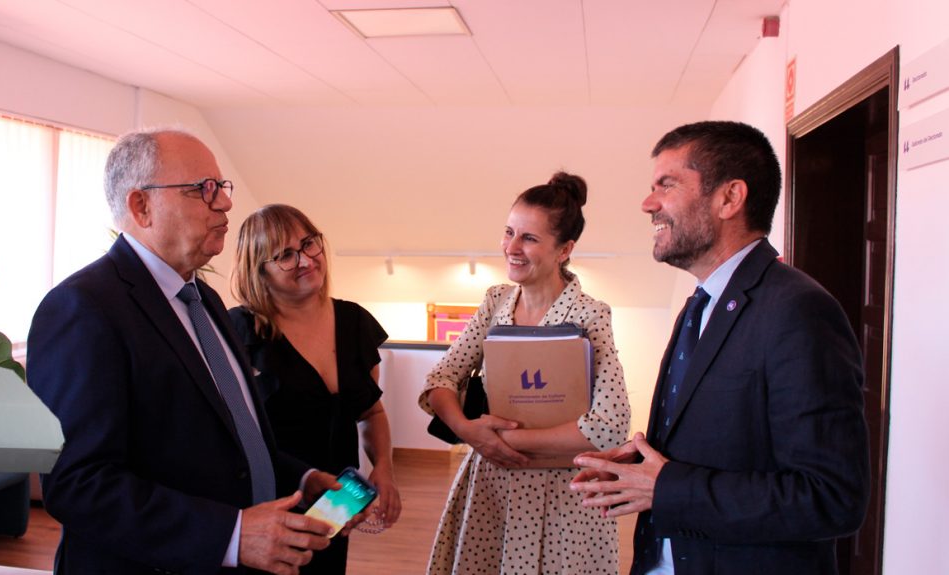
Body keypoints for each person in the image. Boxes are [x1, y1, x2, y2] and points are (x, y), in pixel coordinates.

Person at [27, 128, 341, 575]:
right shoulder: (83, 308)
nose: (226, 203)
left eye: (221, 187)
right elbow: (78, 484)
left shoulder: (205, 299)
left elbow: (230, 442)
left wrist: (305, 480)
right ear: (141, 206)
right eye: (203, 190)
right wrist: (231, 535)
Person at [570, 121, 870, 575]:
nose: (648, 204)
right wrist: (634, 467)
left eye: (666, 186)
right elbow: (727, 438)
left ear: (730, 198)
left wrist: (667, 488)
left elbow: (831, 497)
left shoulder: (800, 311)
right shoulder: (698, 304)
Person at [419, 172, 631, 574]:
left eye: (529, 239)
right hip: (491, 490)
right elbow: (440, 380)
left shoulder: (590, 315)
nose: (512, 248)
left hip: (565, 499)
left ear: (564, 249)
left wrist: (503, 439)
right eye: (509, 232)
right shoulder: (495, 302)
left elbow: (608, 426)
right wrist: (468, 431)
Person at [229, 204, 402, 574]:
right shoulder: (238, 333)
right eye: (286, 255)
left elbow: (370, 412)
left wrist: (384, 469)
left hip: (340, 503)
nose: (306, 260)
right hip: (269, 505)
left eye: (309, 244)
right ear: (259, 269)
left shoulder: (354, 321)